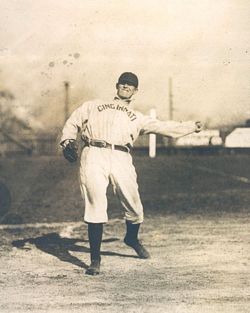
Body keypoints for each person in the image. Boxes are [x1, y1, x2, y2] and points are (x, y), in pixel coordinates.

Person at [60, 72, 202, 276]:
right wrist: (67, 141)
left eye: (131, 85)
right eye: (123, 83)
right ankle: (95, 260)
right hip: (93, 153)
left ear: (135, 91)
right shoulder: (94, 105)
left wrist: (190, 127)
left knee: (134, 205)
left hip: (121, 156)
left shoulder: (138, 117)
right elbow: (73, 121)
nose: (126, 86)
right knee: (95, 204)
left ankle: (132, 238)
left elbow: (163, 127)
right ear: (117, 86)